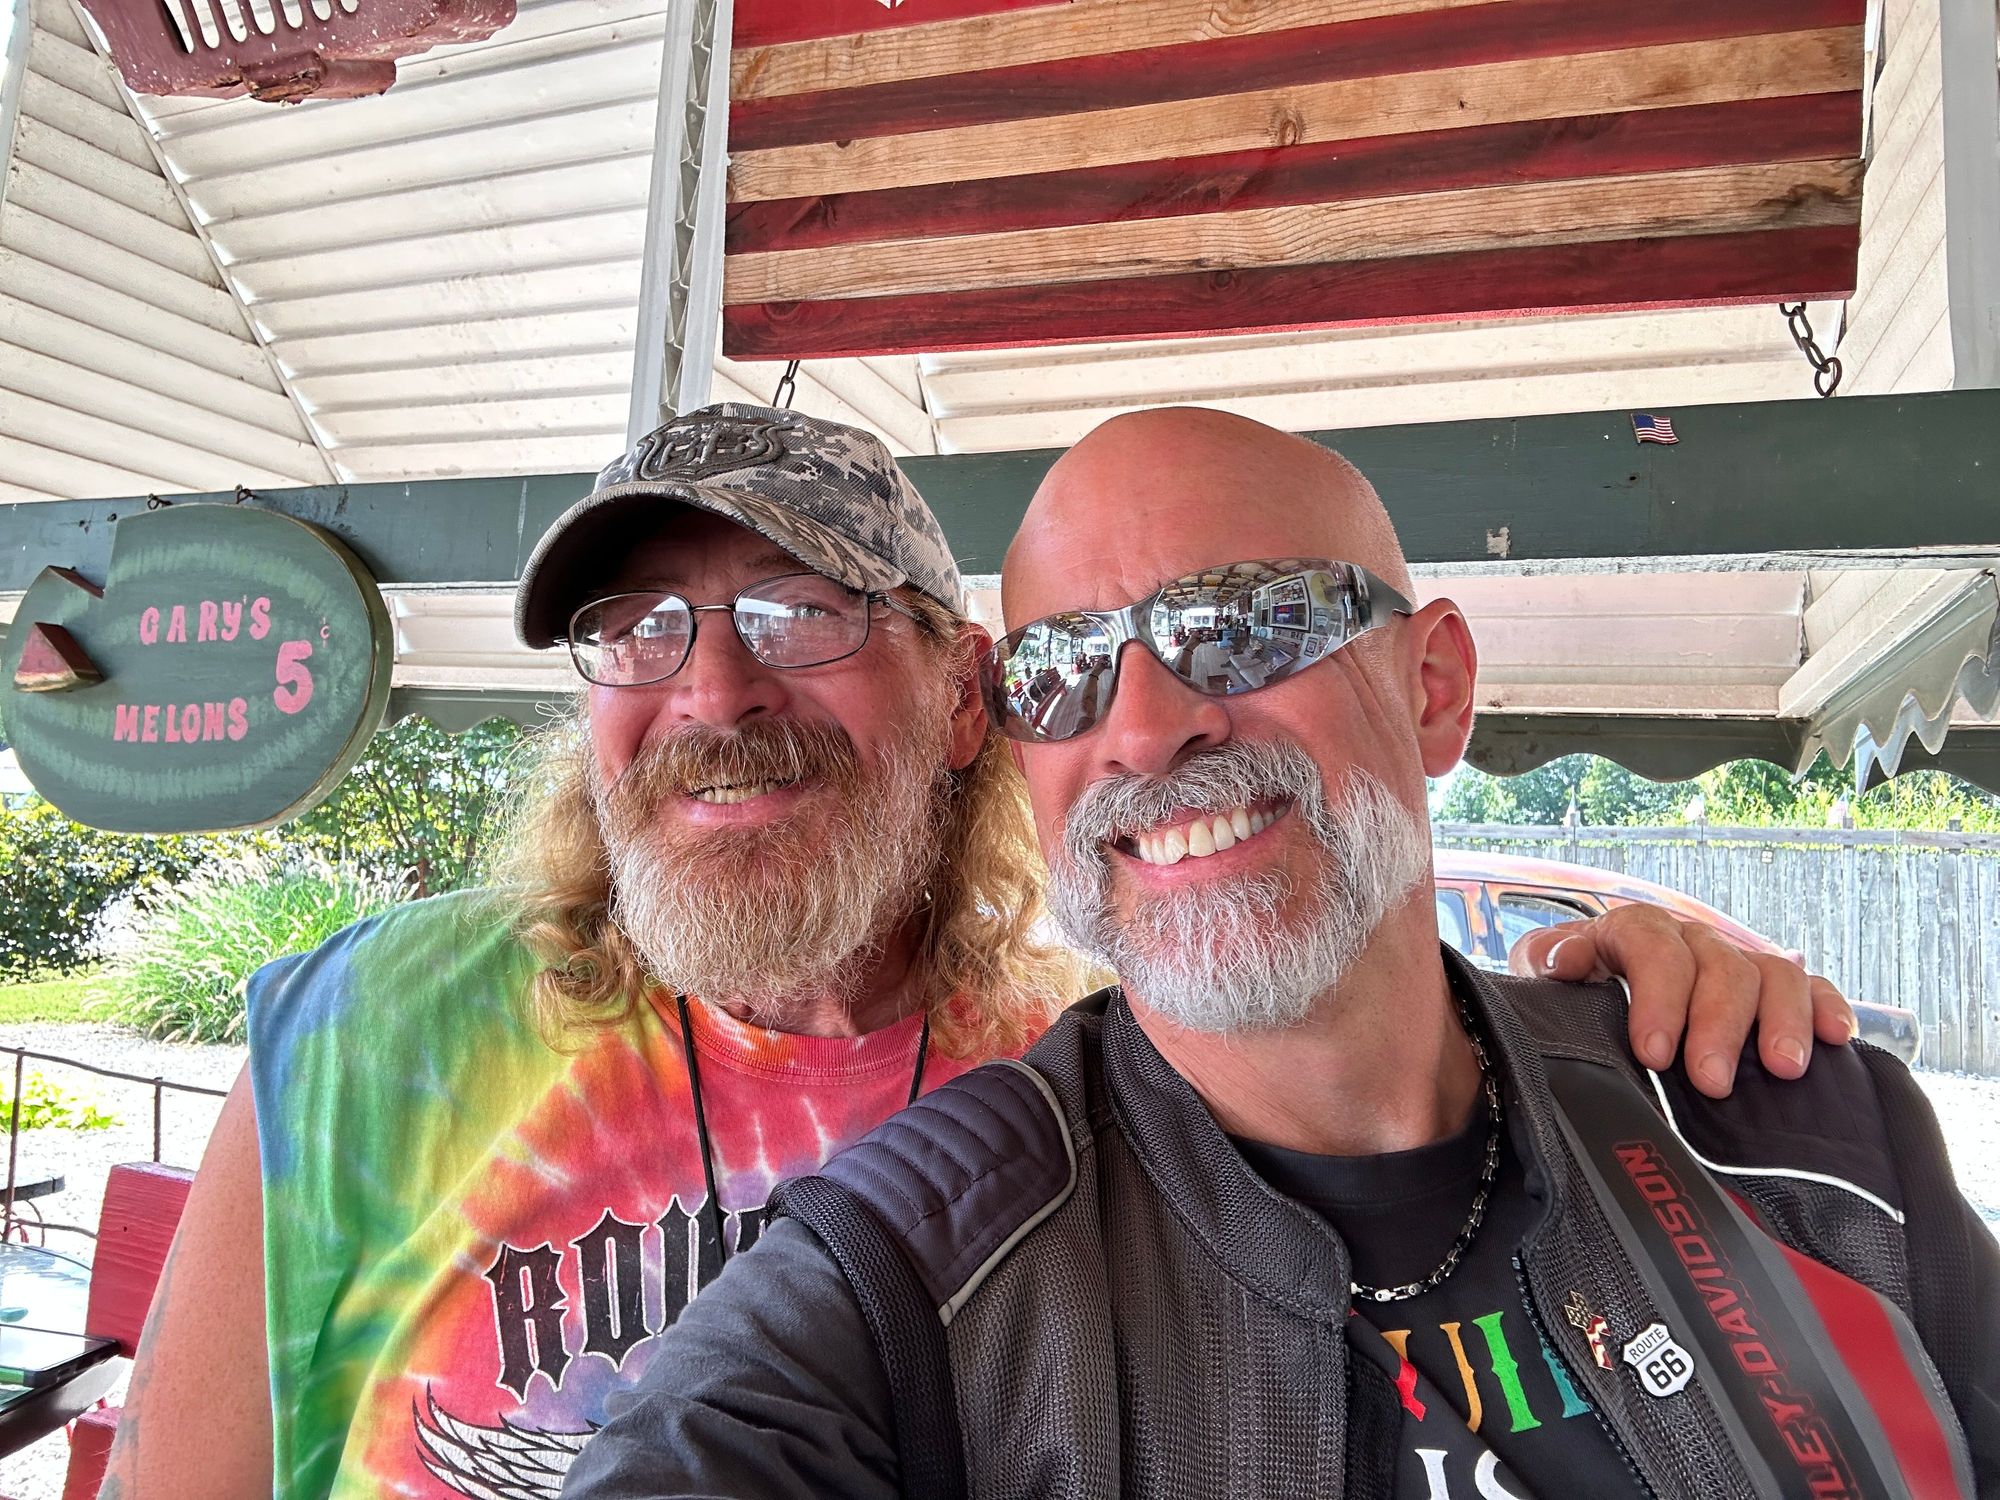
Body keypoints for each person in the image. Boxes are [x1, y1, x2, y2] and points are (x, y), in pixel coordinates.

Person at [106, 405, 1846, 1500]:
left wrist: (1623, 1004)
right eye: (638, 630)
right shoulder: (365, 1034)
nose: (712, 692)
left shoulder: (1104, 1071)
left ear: (964, 700)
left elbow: (1358, 1029)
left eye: (801, 612)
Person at [565, 409, 1996, 1500]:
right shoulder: (915, 1268)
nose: (1144, 730)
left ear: (1434, 689)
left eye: (1244, 626)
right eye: (1063, 671)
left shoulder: (1809, 1139)